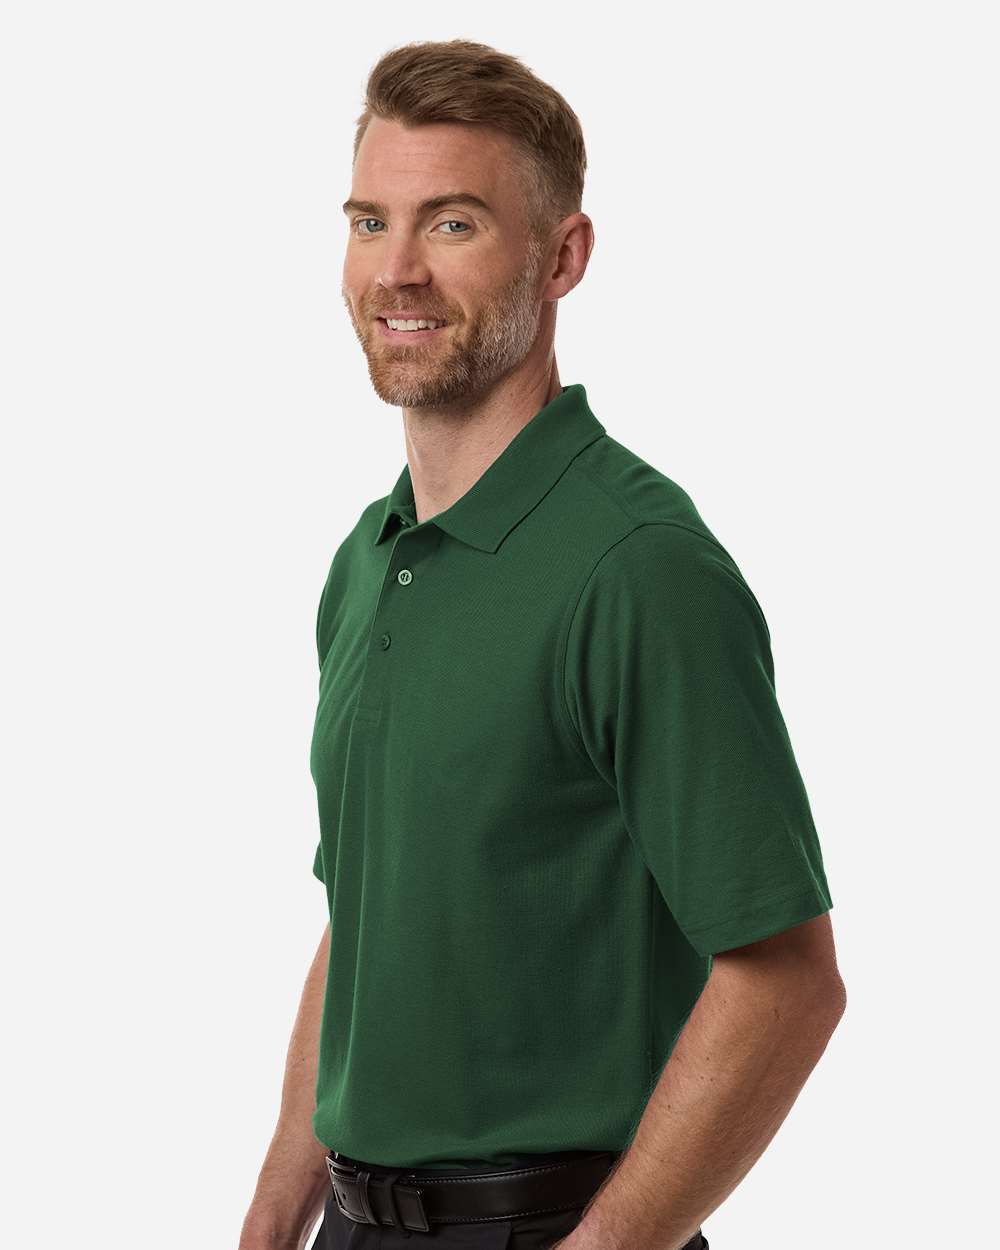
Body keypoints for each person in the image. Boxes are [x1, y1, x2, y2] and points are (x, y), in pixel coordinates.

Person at [238, 38, 846, 1250]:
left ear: (561, 256)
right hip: (353, 1223)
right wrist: (267, 1224)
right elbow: (364, 919)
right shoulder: (369, 558)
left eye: (452, 224)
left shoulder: (637, 566)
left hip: (547, 1224)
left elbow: (785, 980)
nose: (396, 270)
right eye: (369, 221)